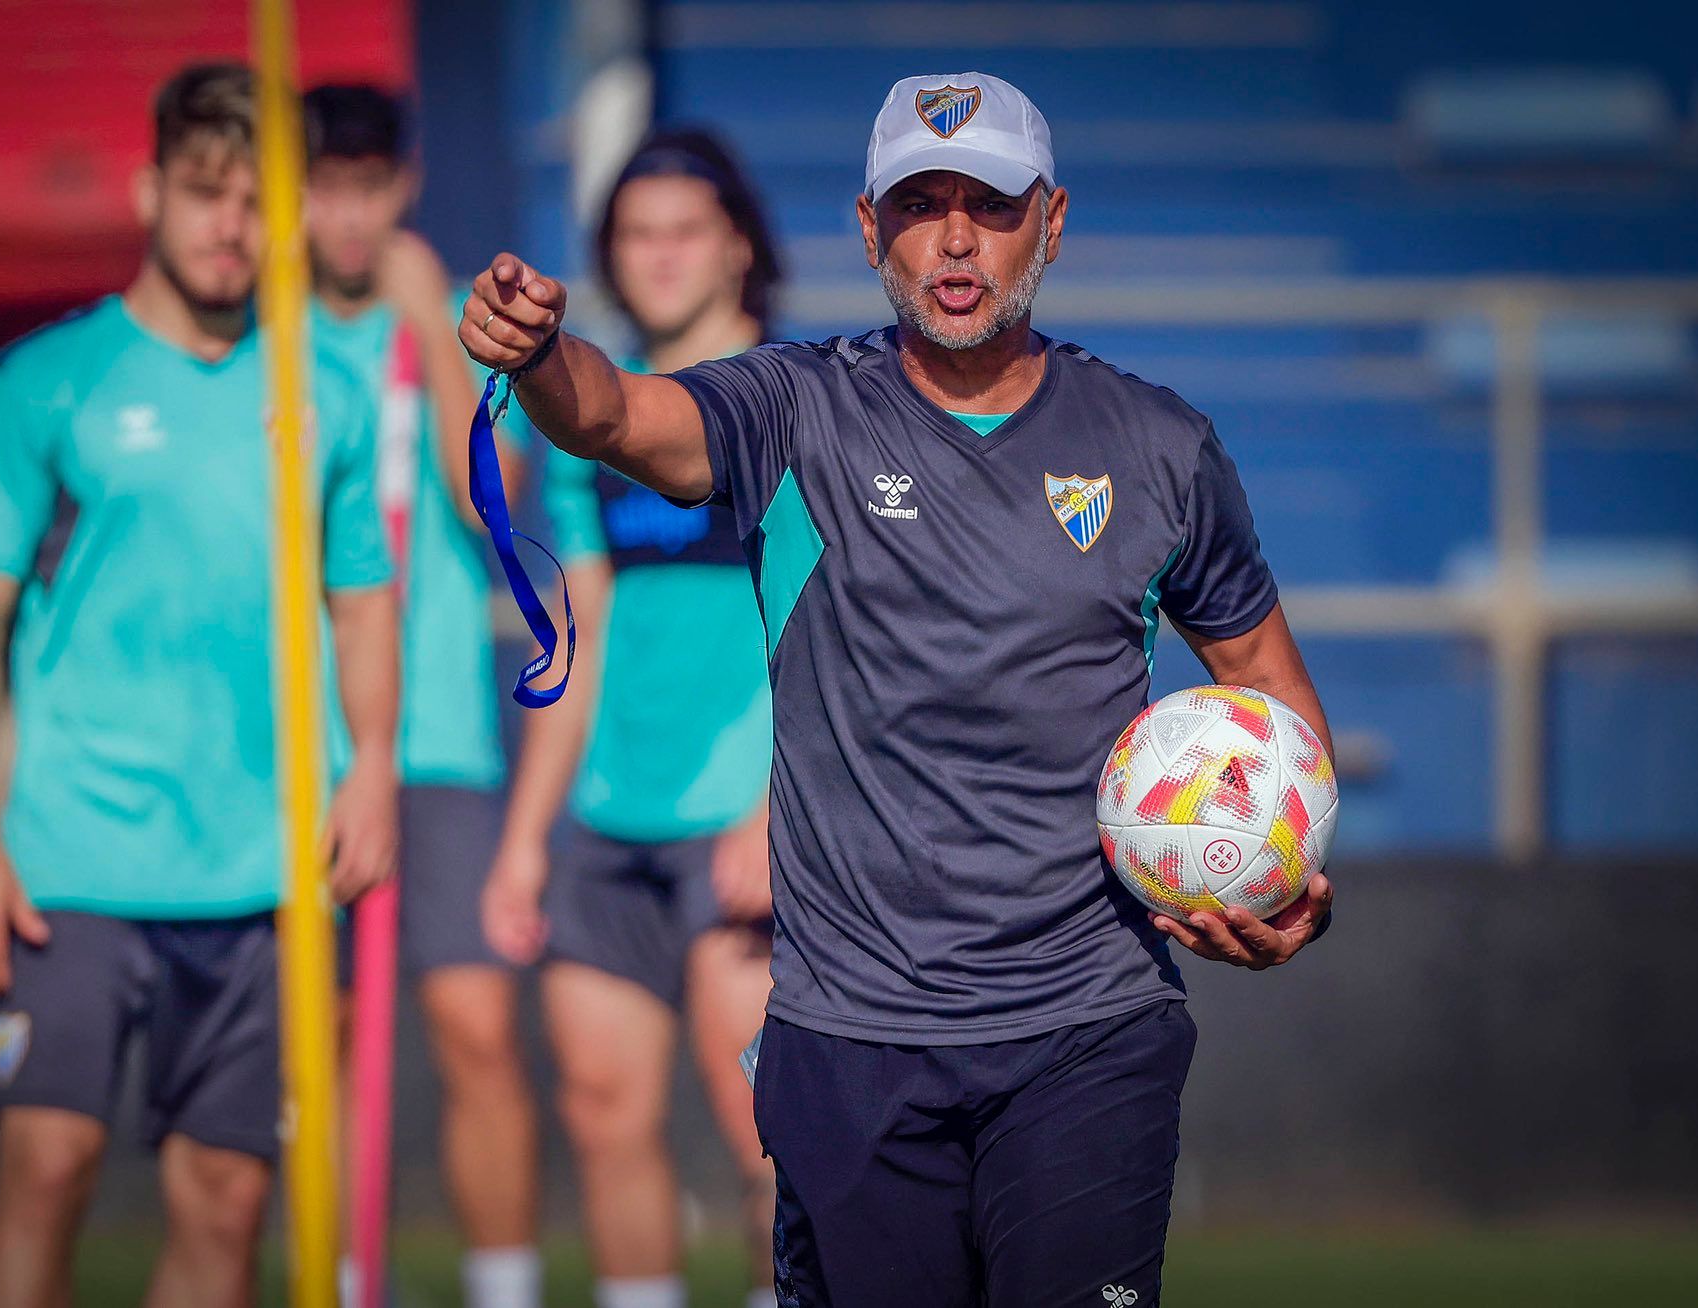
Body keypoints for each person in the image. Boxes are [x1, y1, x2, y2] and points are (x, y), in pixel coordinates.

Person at [459, 73, 1337, 1308]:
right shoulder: (791, 412)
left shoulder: (1158, 447)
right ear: (868, 233)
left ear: (1052, 219)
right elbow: (614, 415)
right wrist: (541, 355)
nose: (956, 236)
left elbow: (1266, 691)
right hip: (849, 1042)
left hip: (1088, 1030)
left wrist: (1282, 870)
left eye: (988, 201)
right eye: (918, 205)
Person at [0, 63, 399, 1308]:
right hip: (73, 861)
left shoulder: (325, 395)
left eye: (252, 199)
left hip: (263, 872)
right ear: (148, 193)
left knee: (227, 1204)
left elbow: (361, 601)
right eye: (203, 193)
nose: (228, 226)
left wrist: (375, 773)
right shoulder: (38, 385)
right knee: (47, 1161)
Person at [481, 130, 780, 1308]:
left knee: (772, 1133)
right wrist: (522, 840)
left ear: (736, 247)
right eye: (633, 236)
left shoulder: (792, 405)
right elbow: (577, 640)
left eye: (681, 231)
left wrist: (776, 810)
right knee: (603, 1115)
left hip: (745, 829)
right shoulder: (586, 427)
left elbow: (837, 636)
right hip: (608, 822)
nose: (657, 257)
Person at [299, 81, 542, 1308]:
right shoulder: (261, 328)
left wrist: (433, 329)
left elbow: (492, 504)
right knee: (322, 1044)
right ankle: (338, 1282)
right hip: (297, 745)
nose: (346, 216)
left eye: (365, 187)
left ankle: (502, 1287)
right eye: (322, 189)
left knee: (476, 1034)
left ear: (402, 185)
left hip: (438, 744)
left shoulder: (456, 321)